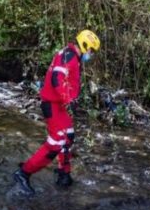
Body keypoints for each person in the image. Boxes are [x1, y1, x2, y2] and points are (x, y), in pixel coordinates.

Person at [13, 29, 101, 194]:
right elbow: (56, 78)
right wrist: (69, 99)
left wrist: (71, 100)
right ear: (84, 45)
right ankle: (23, 173)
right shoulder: (69, 56)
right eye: (91, 50)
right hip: (52, 104)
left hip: (59, 104)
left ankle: (63, 174)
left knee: (68, 136)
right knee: (56, 143)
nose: (91, 54)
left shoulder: (72, 56)